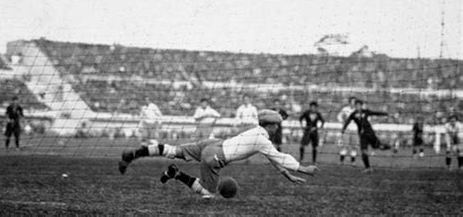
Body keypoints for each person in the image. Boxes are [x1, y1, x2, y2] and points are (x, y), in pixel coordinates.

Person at [118, 110, 319, 199]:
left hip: (212, 143)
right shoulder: (263, 139)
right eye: (276, 125)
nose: (278, 128)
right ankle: (176, 174)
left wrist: (287, 174)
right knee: (208, 193)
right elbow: (278, 156)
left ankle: (134, 154)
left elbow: (273, 157)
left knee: (173, 150)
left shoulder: (257, 133)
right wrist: (304, 169)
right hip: (215, 156)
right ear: (269, 125)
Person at [342, 100, 391, 172]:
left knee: (379, 147)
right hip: (362, 135)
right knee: (363, 151)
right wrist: (343, 129)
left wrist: (385, 114)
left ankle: (389, 147)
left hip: (370, 133)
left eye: (359, 105)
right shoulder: (353, 114)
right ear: (355, 106)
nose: (358, 107)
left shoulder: (365, 112)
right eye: (356, 105)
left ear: (361, 106)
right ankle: (368, 168)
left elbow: (375, 113)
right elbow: (348, 121)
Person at [337, 97, 358, 165]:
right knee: (345, 146)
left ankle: (353, 162)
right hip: (347, 130)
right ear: (349, 102)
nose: (353, 103)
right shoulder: (345, 109)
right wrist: (343, 121)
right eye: (352, 101)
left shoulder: (357, 110)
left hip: (355, 130)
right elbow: (339, 116)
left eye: (354, 102)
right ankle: (341, 161)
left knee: (354, 147)